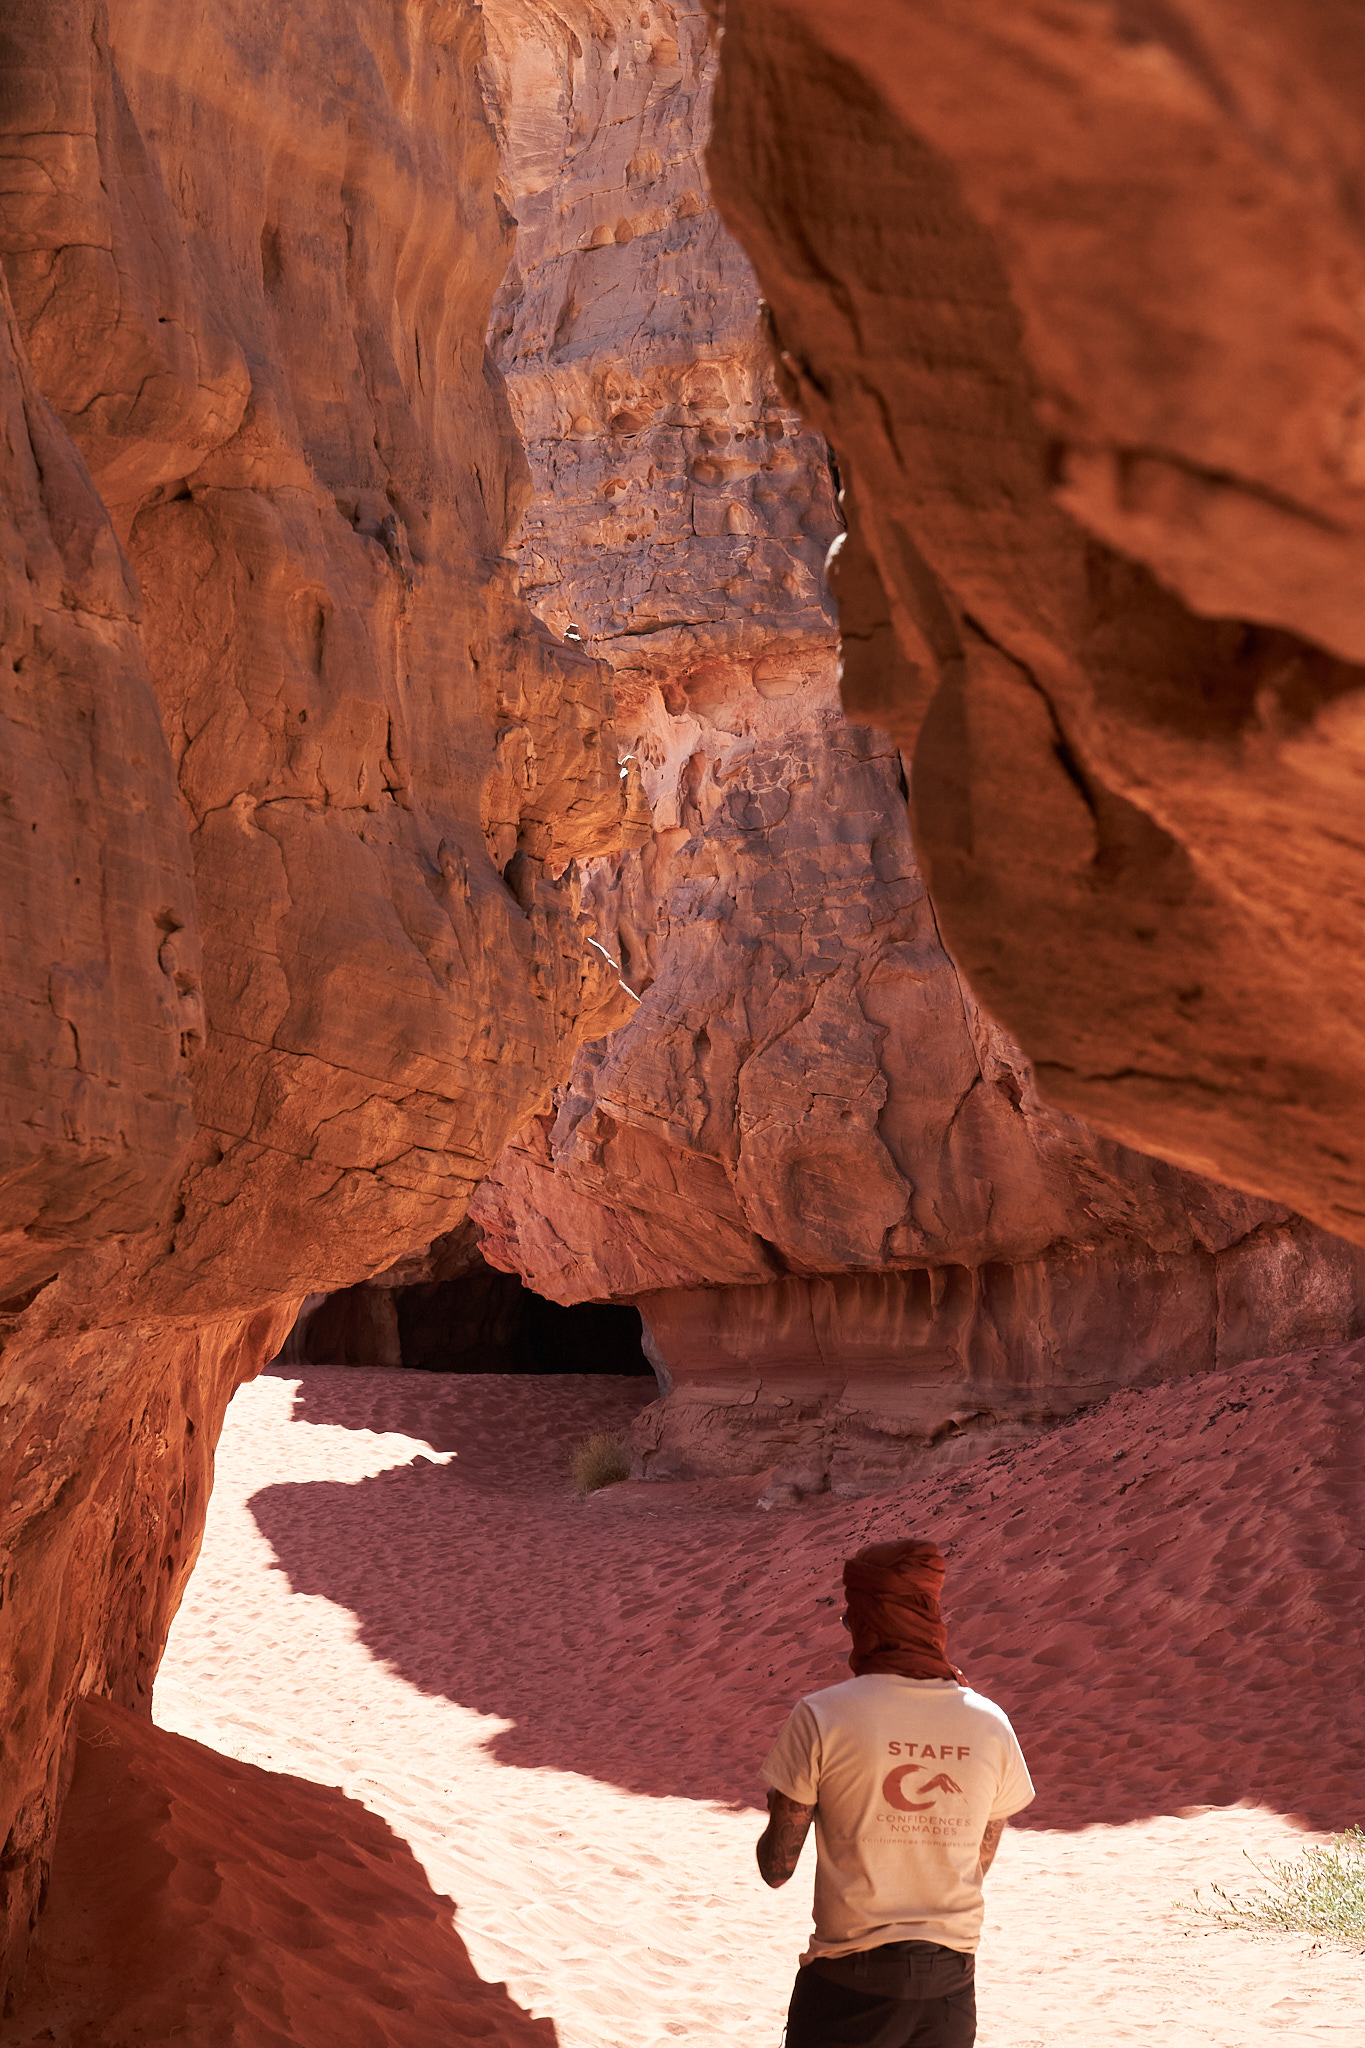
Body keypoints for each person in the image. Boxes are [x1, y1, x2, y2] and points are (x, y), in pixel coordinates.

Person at [757, 1537, 1034, 2048]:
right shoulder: (990, 1724)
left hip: (848, 1990)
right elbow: (977, 1860)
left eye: (849, 1619)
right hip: (949, 1995)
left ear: (866, 1620)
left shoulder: (823, 1715)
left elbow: (776, 1868)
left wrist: (785, 1800)